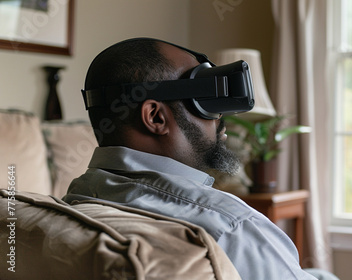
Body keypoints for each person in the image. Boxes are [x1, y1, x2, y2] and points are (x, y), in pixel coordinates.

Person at [63, 38, 319, 280]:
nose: (219, 118)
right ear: (155, 117)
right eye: (203, 101)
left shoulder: (71, 204)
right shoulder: (230, 228)